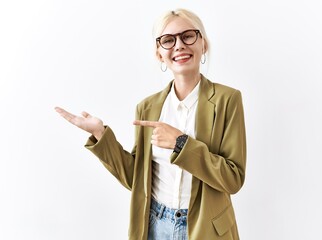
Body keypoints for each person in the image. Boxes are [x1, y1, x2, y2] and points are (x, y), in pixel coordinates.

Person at [55, 8, 246, 240]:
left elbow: (233, 178)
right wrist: (99, 134)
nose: (179, 45)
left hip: (206, 229)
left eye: (188, 36)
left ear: (203, 44)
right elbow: (136, 180)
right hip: (155, 225)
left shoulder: (228, 100)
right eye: (168, 40)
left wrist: (181, 143)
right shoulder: (148, 107)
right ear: (159, 54)